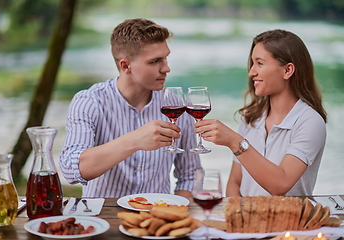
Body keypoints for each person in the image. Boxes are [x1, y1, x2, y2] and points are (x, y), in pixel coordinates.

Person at [59, 18, 201, 198]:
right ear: (125, 66)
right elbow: (71, 170)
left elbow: (190, 175)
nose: (166, 68)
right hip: (103, 219)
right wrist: (134, 140)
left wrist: (174, 213)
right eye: (155, 61)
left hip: (156, 218)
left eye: (166, 58)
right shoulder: (89, 101)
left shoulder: (177, 105)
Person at [195, 29, 327, 197]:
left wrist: (235, 141)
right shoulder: (251, 118)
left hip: (287, 221)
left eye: (260, 63)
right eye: (252, 63)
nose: (251, 72)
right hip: (246, 220)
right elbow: (235, 182)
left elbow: (281, 184)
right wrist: (237, 218)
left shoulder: (310, 122)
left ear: (288, 70)